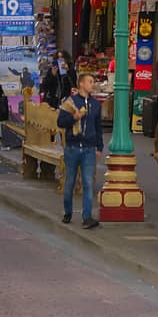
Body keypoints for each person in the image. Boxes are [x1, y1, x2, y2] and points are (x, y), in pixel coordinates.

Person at [56, 72, 103, 229]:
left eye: (93, 81)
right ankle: (68, 212)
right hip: (73, 147)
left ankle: (87, 216)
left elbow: (98, 127)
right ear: (81, 84)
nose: (93, 84)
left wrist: (99, 147)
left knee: (88, 182)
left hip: (89, 148)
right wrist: (74, 118)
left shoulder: (95, 105)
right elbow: (61, 122)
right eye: (90, 81)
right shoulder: (70, 102)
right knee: (70, 181)